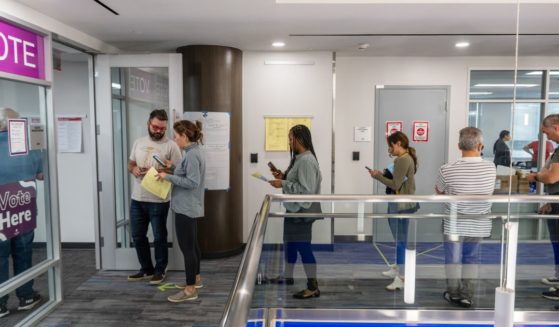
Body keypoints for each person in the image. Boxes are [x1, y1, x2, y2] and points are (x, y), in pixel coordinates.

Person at [435, 127, 496, 308]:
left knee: (453, 259)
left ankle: (453, 294)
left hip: (454, 223)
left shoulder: (447, 169)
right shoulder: (491, 167)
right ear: (481, 146)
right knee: (471, 258)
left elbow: (439, 192)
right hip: (479, 223)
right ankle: (467, 295)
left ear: (458, 146)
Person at [127, 109, 182, 285]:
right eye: (155, 127)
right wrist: (134, 169)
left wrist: (166, 169)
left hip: (159, 199)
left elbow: (180, 170)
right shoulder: (138, 142)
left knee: (159, 237)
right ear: (148, 124)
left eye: (162, 128)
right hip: (138, 198)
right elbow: (131, 163)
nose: (158, 131)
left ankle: (160, 270)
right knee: (137, 235)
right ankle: (146, 269)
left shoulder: (171, 146)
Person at [268, 124, 322, 299]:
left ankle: (313, 287)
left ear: (299, 139)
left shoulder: (306, 160)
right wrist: (283, 177)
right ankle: (288, 276)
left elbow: (306, 191)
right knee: (290, 244)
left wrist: (282, 184)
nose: (289, 142)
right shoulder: (300, 158)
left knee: (304, 248)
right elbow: (298, 181)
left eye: (291, 138)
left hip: (302, 212)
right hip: (294, 210)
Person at [0, 108, 43, 318]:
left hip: (2, 214)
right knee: (23, 254)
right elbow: (41, 174)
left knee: (0, 257)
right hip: (24, 210)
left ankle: (0, 303)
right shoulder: (28, 146)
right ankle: (26, 296)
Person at [157, 120, 206, 303]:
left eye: (176, 136)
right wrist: (172, 168)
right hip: (189, 206)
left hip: (186, 207)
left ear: (184, 136)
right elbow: (187, 174)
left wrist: (167, 176)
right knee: (193, 246)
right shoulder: (194, 152)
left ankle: (190, 289)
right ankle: (196, 279)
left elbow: (192, 182)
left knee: (188, 249)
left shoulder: (192, 155)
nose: (174, 139)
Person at [369, 131, 418, 291]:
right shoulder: (404, 158)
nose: (389, 149)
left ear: (398, 143)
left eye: (390, 145)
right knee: (399, 240)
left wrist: (377, 177)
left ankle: (401, 278)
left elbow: (395, 184)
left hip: (401, 205)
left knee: (400, 241)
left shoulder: (403, 159)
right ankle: (398, 269)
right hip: (398, 203)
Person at [527, 114, 559, 301]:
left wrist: (535, 177)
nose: (546, 137)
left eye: (546, 133)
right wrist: (550, 200)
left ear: (556, 127)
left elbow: (552, 177)